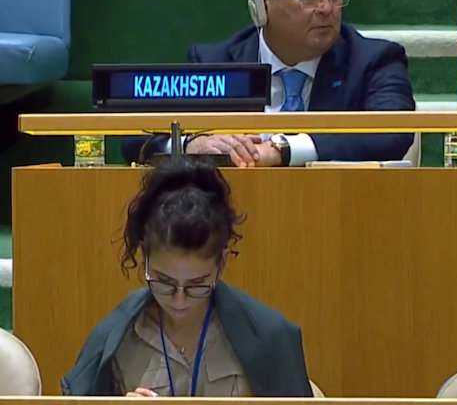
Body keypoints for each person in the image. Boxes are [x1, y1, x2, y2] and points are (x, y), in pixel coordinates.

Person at [121, 0, 415, 166]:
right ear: (260, 5)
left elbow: (391, 133)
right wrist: (190, 145)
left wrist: (282, 149)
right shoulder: (217, 62)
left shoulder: (373, 61)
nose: (326, 8)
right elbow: (135, 139)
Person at [62, 160, 312, 396]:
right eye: (164, 281)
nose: (179, 300)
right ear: (145, 256)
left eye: (197, 285)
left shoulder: (268, 337)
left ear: (222, 263)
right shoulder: (116, 338)